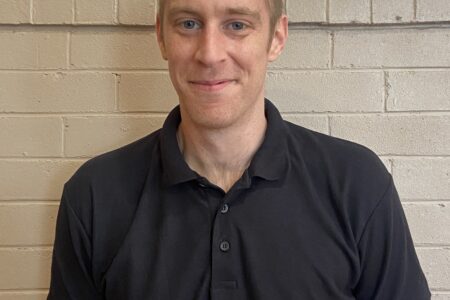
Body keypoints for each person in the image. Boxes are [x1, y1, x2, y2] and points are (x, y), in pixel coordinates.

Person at [47, 0, 431, 299]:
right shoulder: (94, 195)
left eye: (237, 24)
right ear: (162, 36)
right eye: (188, 23)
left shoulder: (356, 183)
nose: (210, 53)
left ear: (276, 38)